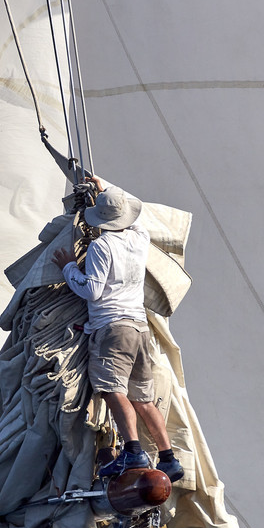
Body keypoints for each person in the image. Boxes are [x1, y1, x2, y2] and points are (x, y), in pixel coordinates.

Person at [52, 175, 185, 482]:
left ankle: (133, 452)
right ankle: (168, 459)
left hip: (112, 329)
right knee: (143, 399)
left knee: (113, 390)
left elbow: (92, 291)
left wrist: (68, 266)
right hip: (139, 329)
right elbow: (135, 215)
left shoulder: (101, 246)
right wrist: (106, 189)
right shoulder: (139, 238)